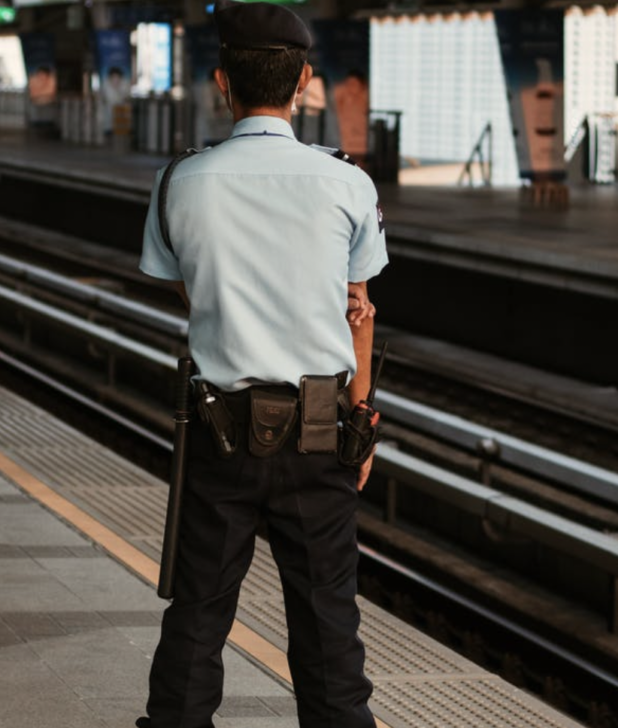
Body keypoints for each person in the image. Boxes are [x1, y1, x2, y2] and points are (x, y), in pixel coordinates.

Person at [136, 1, 387, 727]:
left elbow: (196, 293)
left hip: (221, 438)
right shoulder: (347, 183)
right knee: (328, 631)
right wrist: (361, 421)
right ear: (304, 81)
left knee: (198, 619)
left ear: (223, 83)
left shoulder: (179, 182)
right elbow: (359, 310)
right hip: (319, 436)